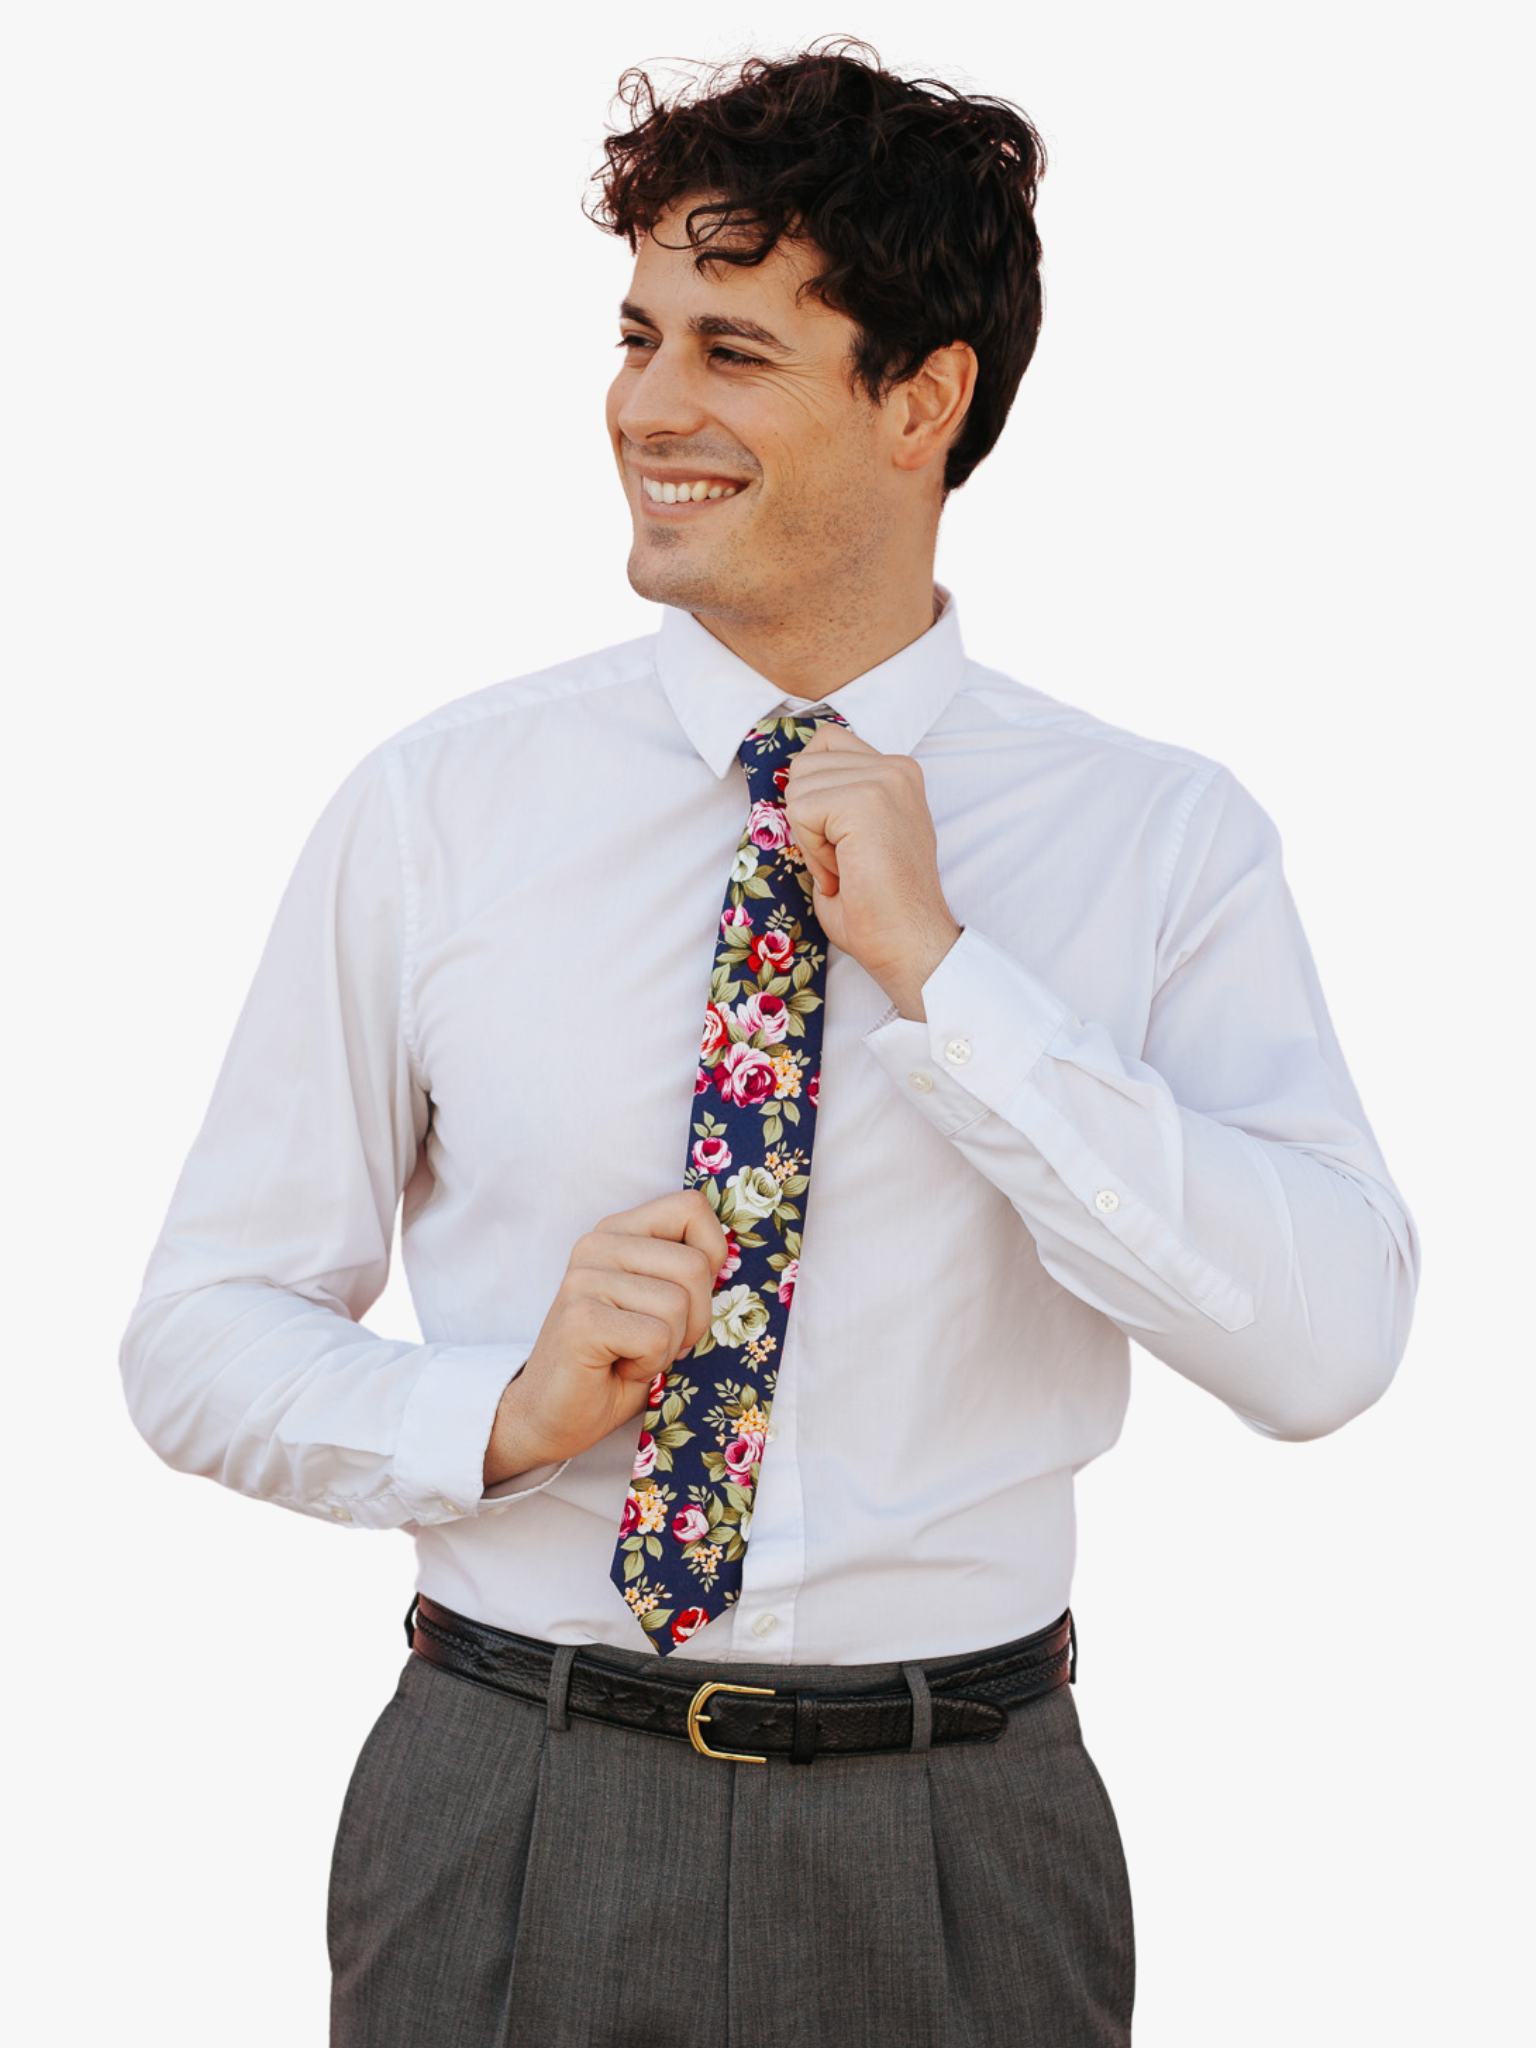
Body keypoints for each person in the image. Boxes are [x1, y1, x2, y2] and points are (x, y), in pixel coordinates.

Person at [120, 42, 1419, 2048]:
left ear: (922, 400)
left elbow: (1328, 1342)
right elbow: (200, 1331)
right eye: (638, 335)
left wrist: (950, 976)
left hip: (964, 1837)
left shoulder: (1157, 841)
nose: (650, 405)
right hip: (515, 1805)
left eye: (732, 348)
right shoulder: (438, 807)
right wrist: (503, 1409)